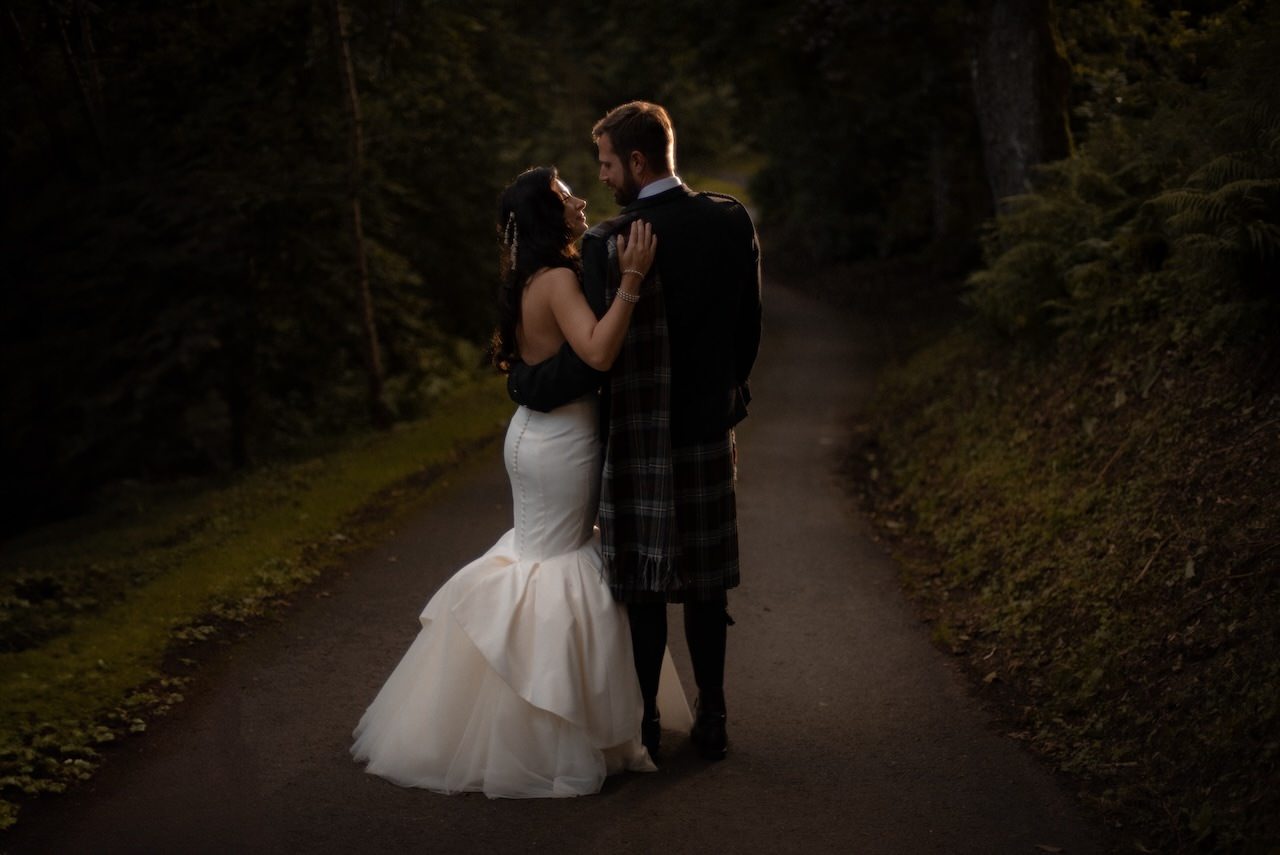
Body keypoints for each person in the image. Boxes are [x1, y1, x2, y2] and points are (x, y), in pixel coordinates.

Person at [350, 166, 691, 798]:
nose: (581, 199)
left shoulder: (530, 277)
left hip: (533, 433)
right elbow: (595, 353)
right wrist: (634, 281)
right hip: (561, 442)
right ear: (545, 215)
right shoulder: (559, 279)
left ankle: (520, 715)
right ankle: (544, 733)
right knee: (554, 567)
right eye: (565, 196)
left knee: (538, 556)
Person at [507, 102, 763, 762]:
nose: (603, 176)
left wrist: (524, 382)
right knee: (707, 581)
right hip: (706, 426)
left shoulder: (606, 243)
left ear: (638, 162)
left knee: (644, 583)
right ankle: (714, 713)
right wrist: (726, 393)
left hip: (637, 436)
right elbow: (748, 326)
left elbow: (599, 356)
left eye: (607, 163)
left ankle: (647, 719)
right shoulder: (730, 220)